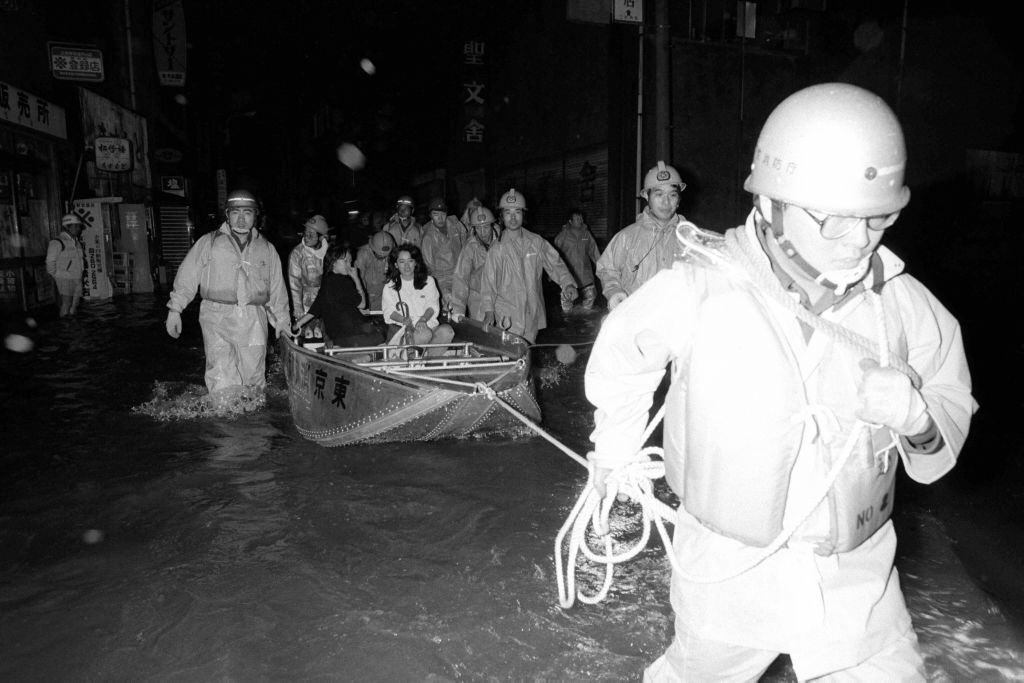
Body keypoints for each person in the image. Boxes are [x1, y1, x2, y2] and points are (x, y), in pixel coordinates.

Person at [585, 83, 977, 681]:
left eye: (878, 219)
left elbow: (951, 412)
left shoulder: (901, 304)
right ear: (772, 204)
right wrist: (613, 451)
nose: (860, 239)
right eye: (835, 221)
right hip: (729, 571)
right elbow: (623, 351)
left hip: (859, 584)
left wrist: (917, 416)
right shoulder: (701, 286)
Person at [164, 189, 290, 398]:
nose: (241, 219)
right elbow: (188, 274)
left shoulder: (267, 248)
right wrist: (175, 309)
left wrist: (282, 320)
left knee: (254, 380)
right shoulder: (209, 242)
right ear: (227, 215)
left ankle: (254, 425)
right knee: (221, 376)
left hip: (253, 319)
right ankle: (224, 423)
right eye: (235, 213)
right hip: (216, 317)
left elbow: (277, 288)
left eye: (247, 212)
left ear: (255, 215)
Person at [478, 189, 577, 343]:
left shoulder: (536, 242)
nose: (512, 217)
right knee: (511, 355)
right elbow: (489, 283)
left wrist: (568, 283)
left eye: (517, 212)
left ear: (524, 215)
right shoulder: (497, 249)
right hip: (507, 314)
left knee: (527, 353)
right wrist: (489, 311)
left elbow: (555, 264)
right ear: (501, 217)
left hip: (532, 309)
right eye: (507, 212)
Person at [595, 160, 688, 310]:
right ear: (646, 196)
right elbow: (607, 268)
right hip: (635, 318)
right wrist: (614, 291)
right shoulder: (626, 237)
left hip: (676, 319)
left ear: (679, 199)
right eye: (659, 194)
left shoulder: (689, 238)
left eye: (672, 195)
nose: (666, 202)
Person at [292, 245, 380, 349]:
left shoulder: (327, 281)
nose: (349, 264)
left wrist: (296, 326)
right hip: (352, 333)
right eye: (345, 261)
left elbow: (315, 309)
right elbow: (363, 304)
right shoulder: (344, 281)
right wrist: (356, 278)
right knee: (382, 333)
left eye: (350, 261)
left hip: (336, 335)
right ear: (334, 262)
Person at [381, 245, 454, 355]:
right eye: (402, 262)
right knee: (424, 334)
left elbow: (432, 305)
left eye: (410, 261)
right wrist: (403, 319)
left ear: (415, 263)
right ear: (396, 265)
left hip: (429, 326)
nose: (406, 266)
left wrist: (423, 319)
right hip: (406, 332)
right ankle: (411, 360)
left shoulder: (429, 281)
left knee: (447, 332)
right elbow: (388, 311)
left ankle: (431, 364)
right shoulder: (390, 286)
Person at [420, 197, 468, 310]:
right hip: (443, 281)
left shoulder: (455, 225)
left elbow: (466, 243)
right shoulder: (428, 237)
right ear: (430, 215)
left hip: (460, 275)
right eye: (435, 214)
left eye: (442, 214)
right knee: (449, 311)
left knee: (463, 312)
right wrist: (442, 290)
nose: (440, 218)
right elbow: (429, 268)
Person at [450, 206, 497, 321]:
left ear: (492, 225)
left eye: (486, 227)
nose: (482, 232)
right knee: (482, 331)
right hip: (478, 296)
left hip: (500, 295)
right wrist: (458, 309)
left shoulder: (502, 241)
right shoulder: (470, 247)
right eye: (478, 228)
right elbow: (461, 277)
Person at [287, 214, 330, 338]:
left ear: (322, 237)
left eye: (312, 233)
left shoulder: (329, 251)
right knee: (309, 336)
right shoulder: (298, 253)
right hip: (306, 302)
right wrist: (298, 307)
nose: (307, 236)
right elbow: (294, 282)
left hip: (326, 300)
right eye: (306, 232)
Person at [553, 209, 602, 312]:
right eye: (577, 218)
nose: (581, 220)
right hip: (569, 273)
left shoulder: (586, 234)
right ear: (570, 221)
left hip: (585, 272)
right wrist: (552, 273)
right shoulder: (563, 236)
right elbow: (553, 255)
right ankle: (567, 319)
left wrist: (601, 266)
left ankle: (586, 317)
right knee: (567, 300)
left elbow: (594, 251)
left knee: (591, 296)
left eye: (581, 218)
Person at [45, 213, 85, 318]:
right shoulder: (57, 242)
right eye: (75, 226)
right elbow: (50, 263)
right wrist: (59, 274)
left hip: (77, 277)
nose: (78, 228)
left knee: (75, 305)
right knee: (66, 304)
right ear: (67, 226)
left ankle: (71, 328)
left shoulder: (76, 242)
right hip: (65, 278)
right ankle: (64, 327)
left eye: (78, 226)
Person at [354, 230, 396, 311]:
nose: (382, 257)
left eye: (385, 256)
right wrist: (363, 301)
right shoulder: (363, 254)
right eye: (379, 255)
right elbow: (360, 279)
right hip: (367, 295)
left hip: (383, 295)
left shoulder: (392, 253)